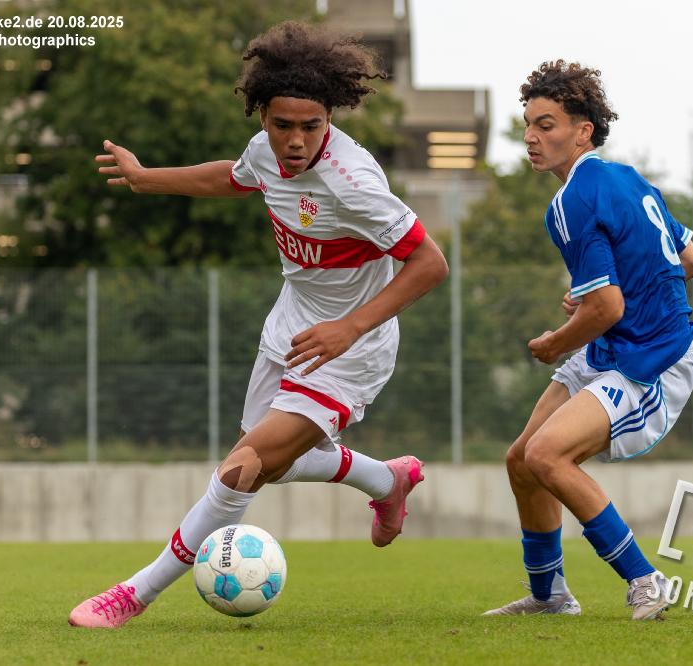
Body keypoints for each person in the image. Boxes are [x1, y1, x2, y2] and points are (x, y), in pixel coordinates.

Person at [68, 21, 448, 628]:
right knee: (273, 464)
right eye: (282, 125)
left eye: (311, 126)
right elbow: (234, 177)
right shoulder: (265, 151)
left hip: (352, 348)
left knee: (239, 470)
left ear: (330, 118)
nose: (295, 141)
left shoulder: (353, 184)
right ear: (262, 116)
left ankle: (133, 594)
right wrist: (146, 179)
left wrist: (350, 328)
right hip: (291, 325)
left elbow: (430, 263)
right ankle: (387, 479)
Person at [482, 61, 693, 621]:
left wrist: (556, 342)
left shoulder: (571, 201)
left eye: (547, 125)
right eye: (528, 125)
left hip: (652, 358)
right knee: (521, 460)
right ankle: (549, 596)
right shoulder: (628, 178)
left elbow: (608, 308)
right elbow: (690, 260)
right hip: (613, 346)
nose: (531, 137)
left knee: (547, 455)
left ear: (584, 131)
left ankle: (646, 580)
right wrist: (602, 295)